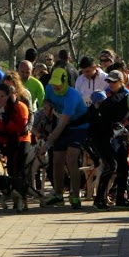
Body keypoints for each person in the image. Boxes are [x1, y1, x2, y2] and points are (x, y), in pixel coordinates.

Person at [41, 67, 89, 208]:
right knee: (57, 160)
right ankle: (57, 194)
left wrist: (47, 145)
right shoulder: (49, 88)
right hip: (61, 124)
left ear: (65, 82)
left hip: (78, 126)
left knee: (71, 158)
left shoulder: (72, 96)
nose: (55, 86)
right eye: (53, 83)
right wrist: (47, 106)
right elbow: (46, 102)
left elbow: (62, 125)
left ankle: (75, 195)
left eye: (58, 83)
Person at [87, 69, 129, 210]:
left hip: (116, 137)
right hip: (99, 136)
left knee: (123, 165)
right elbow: (102, 121)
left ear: (122, 81)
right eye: (109, 81)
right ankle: (99, 199)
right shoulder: (111, 99)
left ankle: (120, 198)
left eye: (114, 81)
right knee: (111, 165)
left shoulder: (126, 97)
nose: (110, 83)